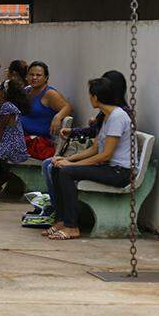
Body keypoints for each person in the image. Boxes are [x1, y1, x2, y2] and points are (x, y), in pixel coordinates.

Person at [43, 78, 132, 240]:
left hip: (119, 172)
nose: (89, 98)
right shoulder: (106, 116)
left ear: (96, 97)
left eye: (90, 95)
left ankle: (72, 226)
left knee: (66, 172)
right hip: (107, 167)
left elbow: (105, 155)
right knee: (57, 167)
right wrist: (67, 158)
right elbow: (95, 148)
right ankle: (62, 220)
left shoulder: (118, 117)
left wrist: (70, 164)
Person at [21, 61, 73, 160]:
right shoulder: (27, 91)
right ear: (27, 76)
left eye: (38, 75)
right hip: (22, 135)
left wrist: (58, 117)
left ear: (46, 78)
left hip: (37, 141)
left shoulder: (49, 94)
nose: (34, 78)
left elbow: (68, 107)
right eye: (31, 74)